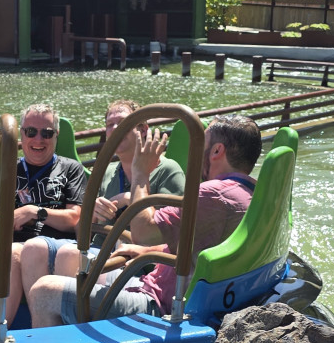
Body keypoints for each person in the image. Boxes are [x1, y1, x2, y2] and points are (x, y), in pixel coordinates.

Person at [27, 115, 261, 327]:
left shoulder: (213, 194)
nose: (194, 153)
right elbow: (199, 245)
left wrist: (140, 174)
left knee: (44, 292)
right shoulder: (250, 192)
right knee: (69, 258)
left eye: (201, 145)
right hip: (169, 287)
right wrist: (147, 251)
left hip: (161, 305)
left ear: (217, 150)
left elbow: (143, 232)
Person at [17, 99, 185, 297]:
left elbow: (176, 236)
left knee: (68, 256)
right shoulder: (107, 172)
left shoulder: (167, 171)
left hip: (135, 264)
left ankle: (72, 312)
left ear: (142, 130)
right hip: (98, 252)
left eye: (122, 122)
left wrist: (130, 198)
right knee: (34, 247)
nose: (115, 129)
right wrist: (92, 214)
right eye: (109, 125)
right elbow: (81, 233)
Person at [0, 88, 86, 325]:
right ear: (21, 135)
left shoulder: (71, 169)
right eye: (31, 132)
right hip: (15, 241)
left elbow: (75, 218)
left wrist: (35, 212)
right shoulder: (12, 167)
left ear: (56, 136)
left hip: (52, 245)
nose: (38, 139)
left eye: (46, 133)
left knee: (17, 252)